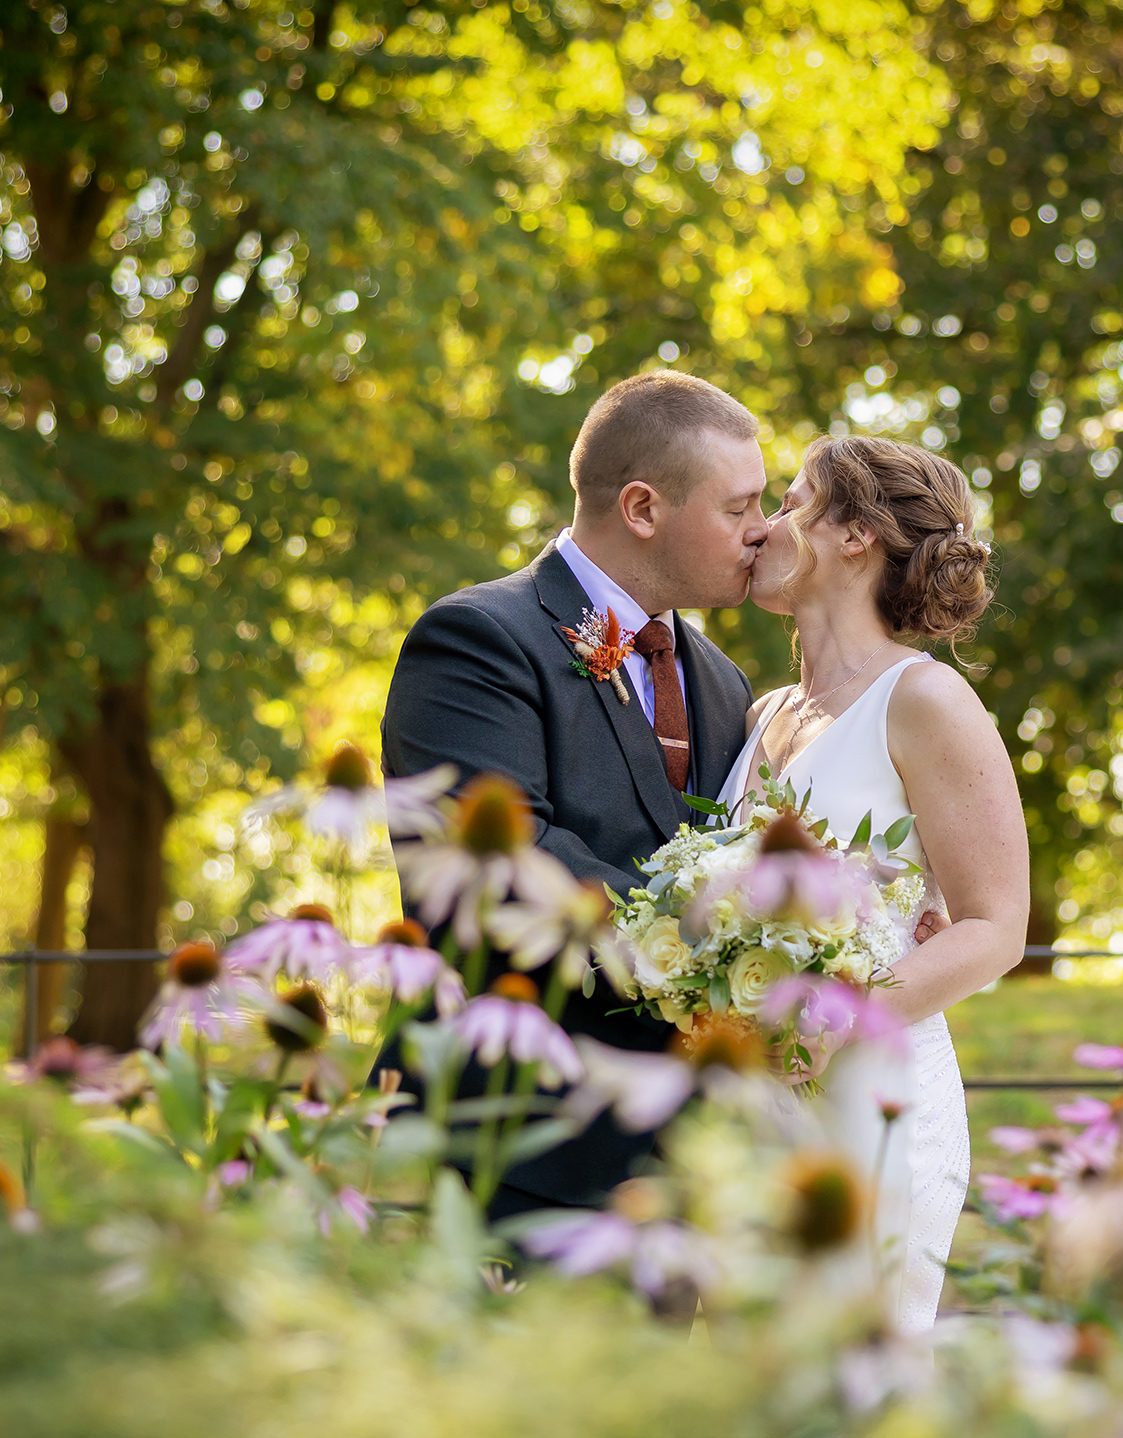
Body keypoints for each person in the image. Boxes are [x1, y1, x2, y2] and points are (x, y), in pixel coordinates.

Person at [380, 371, 767, 1219]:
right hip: (513, 1146)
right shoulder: (478, 640)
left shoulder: (725, 682)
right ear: (642, 508)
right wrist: (723, 943)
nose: (761, 531)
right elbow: (501, 862)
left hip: (680, 1166)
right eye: (738, 507)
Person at [716, 434, 1030, 1333]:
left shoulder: (926, 701)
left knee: (855, 1379)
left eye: (789, 500)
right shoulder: (762, 714)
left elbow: (995, 927)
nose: (763, 525)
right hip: (755, 1103)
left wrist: (831, 1019)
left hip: (872, 1097)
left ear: (855, 533)